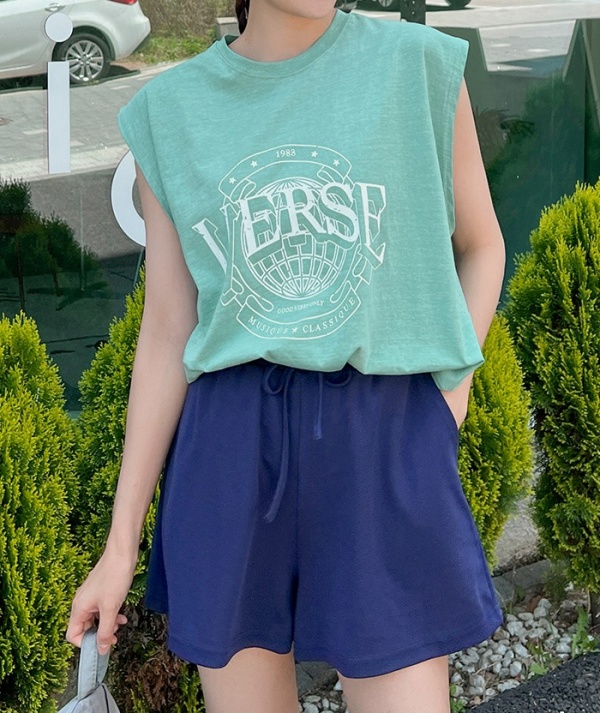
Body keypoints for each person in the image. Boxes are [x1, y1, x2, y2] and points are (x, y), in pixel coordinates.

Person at [65, 1, 507, 711]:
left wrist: (441, 410)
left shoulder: (418, 66)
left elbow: (482, 247)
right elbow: (169, 329)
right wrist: (119, 547)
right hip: (231, 450)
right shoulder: (171, 111)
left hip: (382, 439)